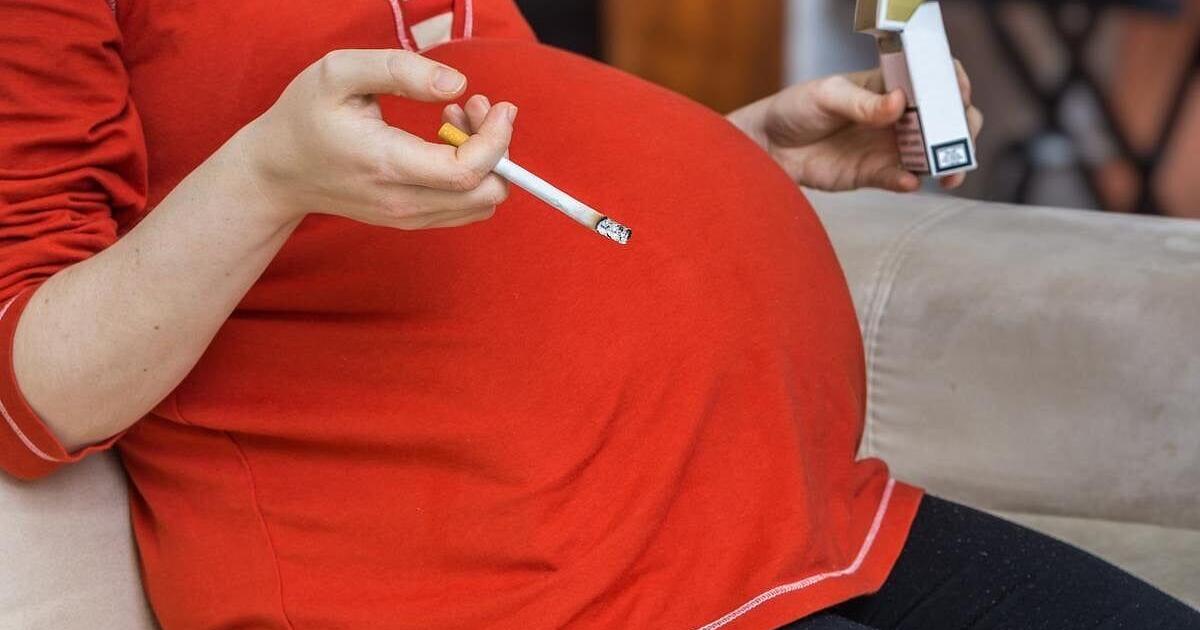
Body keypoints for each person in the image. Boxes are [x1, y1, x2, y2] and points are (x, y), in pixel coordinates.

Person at [0, 0, 1194, 628]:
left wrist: (730, 154)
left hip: (780, 519)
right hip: (492, 583)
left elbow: (485, 171)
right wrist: (267, 175)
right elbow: (34, 395)